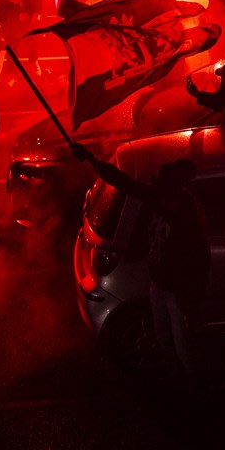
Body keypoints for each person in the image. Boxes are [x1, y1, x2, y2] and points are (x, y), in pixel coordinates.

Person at [70, 150, 210, 383]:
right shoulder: (161, 200)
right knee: (166, 342)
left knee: (183, 347)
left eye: (161, 185)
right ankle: (178, 385)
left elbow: (200, 259)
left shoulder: (186, 217)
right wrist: (92, 159)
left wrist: (191, 298)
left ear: (173, 189)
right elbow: (125, 183)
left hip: (176, 292)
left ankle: (195, 392)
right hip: (158, 286)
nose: (156, 190)